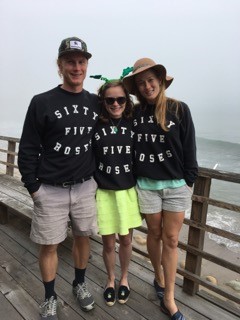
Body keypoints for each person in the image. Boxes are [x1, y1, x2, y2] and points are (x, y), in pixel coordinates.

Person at [18, 37, 100, 319]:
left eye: (81, 61)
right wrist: (34, 189)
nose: (76, 67)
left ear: (87, 64)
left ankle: (79, 283)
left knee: (82, 237)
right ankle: (50, 296)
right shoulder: (42, 102)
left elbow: (118, 121)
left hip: (86, 186)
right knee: (49, 244)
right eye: (70, 61)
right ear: (60, 65)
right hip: (50, 189)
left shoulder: (96, 102)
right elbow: (28, 147)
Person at [123, 58, 198, 320]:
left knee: (172, 239)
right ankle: (158, 277)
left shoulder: (179, 109)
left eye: (151, 80)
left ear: (160, 81)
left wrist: (190, 180)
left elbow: (189, 147)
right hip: (147, 186)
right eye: (141, 83)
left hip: (177, 186)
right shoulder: (135, 113)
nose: (147, 86)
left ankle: (169, 298)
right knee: (154, 234)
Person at [91, 76, 142, 306]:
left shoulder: (134, 123)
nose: (115, 104)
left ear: (127, 100)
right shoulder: (95, 124)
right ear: (103, 101)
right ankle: (110, 280)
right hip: (104, 192)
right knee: (109, 243)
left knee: (127, 240)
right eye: (110, 100)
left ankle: (124, 279)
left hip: (128, 191)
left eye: (120, 99)